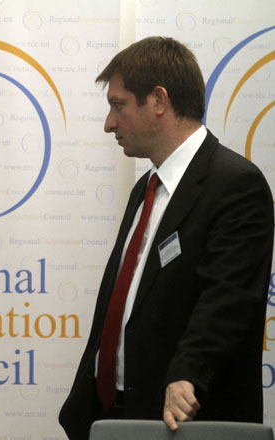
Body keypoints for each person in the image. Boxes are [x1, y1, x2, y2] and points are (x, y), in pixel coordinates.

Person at [59, 36, 274, 440]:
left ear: (159, 101)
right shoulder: (146, 188)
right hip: (115, 414)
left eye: (118, 105)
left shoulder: (235, 185)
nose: (109, 123)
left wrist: (187, 374)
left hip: (184, 420)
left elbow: (227, 299)